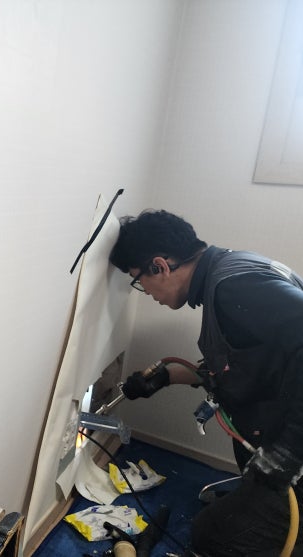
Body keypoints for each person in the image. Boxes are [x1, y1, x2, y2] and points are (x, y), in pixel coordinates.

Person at [109, 209, 303, 557]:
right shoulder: (232, 270)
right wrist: (169, 376)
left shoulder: (234, 288)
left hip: (296, 460)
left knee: (213, 537)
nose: (144, 291)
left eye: (138, 280)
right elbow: (248, 362)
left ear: (159, 266)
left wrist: (288, 455)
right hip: (277, 437)